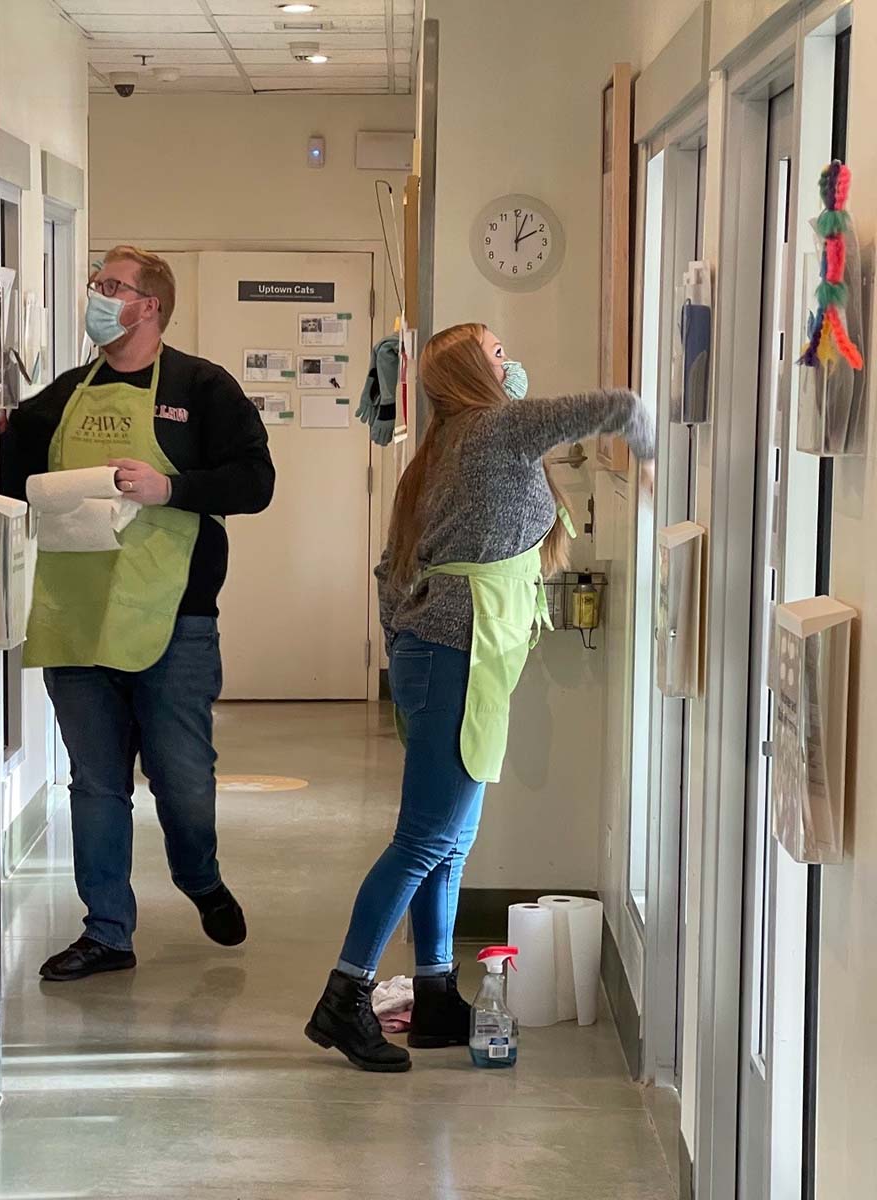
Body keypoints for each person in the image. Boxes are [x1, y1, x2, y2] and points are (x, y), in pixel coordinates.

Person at [305, 322, 654, 1071]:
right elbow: (613, 404)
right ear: (474, 374)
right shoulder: (494, 429)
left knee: (450, 842)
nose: (512, 362)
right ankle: (344, 995)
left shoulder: (441, 450)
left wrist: (401, 645)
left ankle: (434, 994)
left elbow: (389, 570)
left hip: (442, 655)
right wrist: (653, 448)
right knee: (424, 841)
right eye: (500, 354)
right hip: (456, 658)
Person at [0, 245, 276, 982]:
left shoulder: (201, 388)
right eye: (96, 284)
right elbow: (9, 475)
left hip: (173, 617)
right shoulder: (61, 396)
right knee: (96, 783)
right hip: (77, 614)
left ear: (149, 305)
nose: (98, 295)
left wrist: (172, 488)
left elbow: (255, 482)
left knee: (181, 778)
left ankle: (200, 879)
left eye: (112, 286)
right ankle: (107, 932)